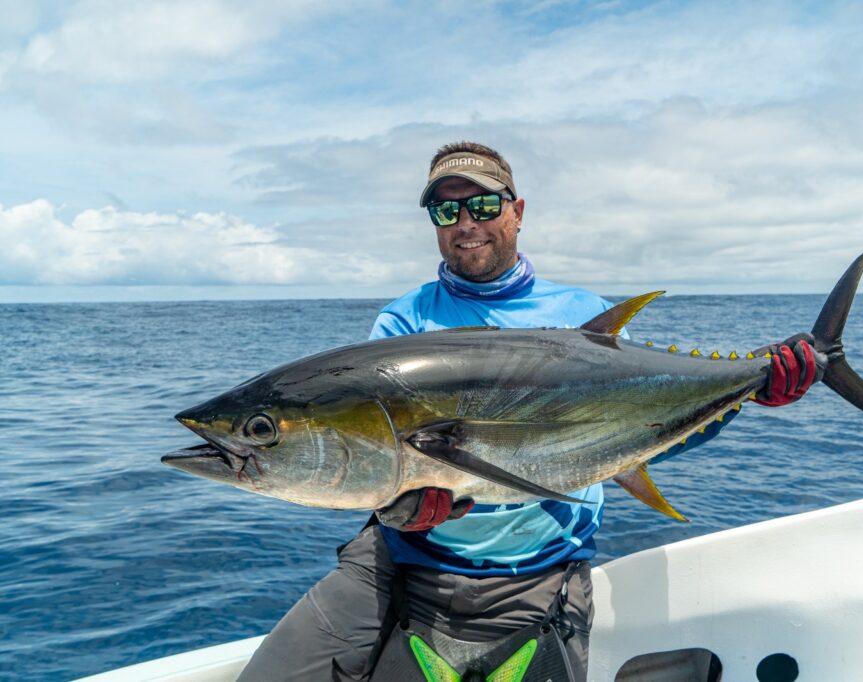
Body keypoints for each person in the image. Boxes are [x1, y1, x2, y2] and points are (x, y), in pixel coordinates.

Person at [238, 141, 820, 681]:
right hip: (399, 561)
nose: (466, 224)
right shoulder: (401, 322)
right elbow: (381, 463)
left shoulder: (581, 315)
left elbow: (644, 426)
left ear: (516, 211)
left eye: (483, 205)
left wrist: (755, 388)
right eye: (446, 213)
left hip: (536, 573)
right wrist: (401, 513)